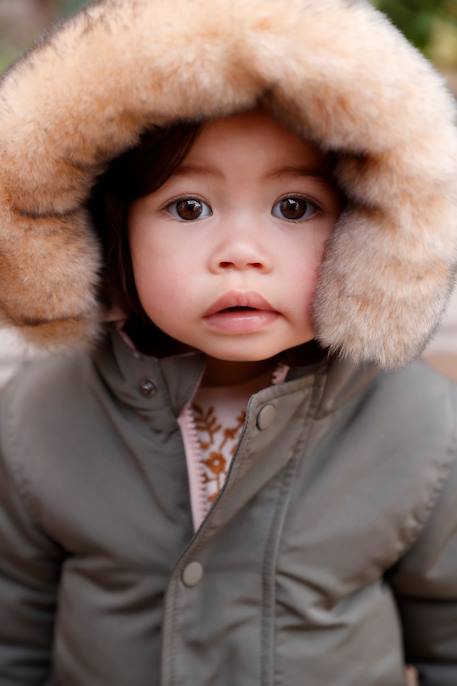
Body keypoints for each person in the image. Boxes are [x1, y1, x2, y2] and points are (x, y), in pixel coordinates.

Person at [0, 0, 456, 684]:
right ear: (109, 229)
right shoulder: (42, 412)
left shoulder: (416, 422)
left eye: (293, 207)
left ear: (369, 232)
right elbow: (13, 631)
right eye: (188, 207)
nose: (240, 253)